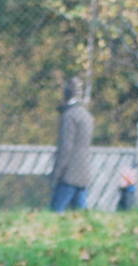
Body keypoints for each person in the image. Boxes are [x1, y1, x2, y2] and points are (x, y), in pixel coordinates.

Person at [49, 75, 94, 212]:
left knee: (55, 212)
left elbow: (65, 148)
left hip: (68, 174)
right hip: (83, 172)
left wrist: (56, 174)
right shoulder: (87, 116)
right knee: (80, 216)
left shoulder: (69, 116)